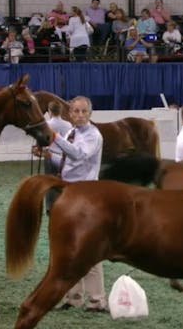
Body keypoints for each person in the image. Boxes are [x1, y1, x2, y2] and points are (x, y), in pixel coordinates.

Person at [47, 96, 106, 312]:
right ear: (69, 114)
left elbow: (79, 155)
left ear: (90, 114)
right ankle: (74, 297)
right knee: (69, 247)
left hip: (87, 196)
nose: (79, 115)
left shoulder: (93, 135)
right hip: (69, 194)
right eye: (76, 111)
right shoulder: (71, 133)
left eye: (83, 111)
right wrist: (48, 154)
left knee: (90, 248)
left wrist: (54, 138)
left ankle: (97, 300)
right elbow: (64, 162)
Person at [38, 100, 73, 212]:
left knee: (49, 182)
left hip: (50, 155)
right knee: (63, 181)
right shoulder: (68, 125)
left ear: (49, 111)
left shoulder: (47, 124)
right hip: (64, 157)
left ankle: (49, 207)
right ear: (61, 111)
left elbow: (43, 141)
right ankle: (64, 204)